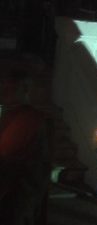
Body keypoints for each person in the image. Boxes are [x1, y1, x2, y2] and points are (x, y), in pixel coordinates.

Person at [0, 71, 52, 225]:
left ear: (25, 89)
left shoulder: (28, 118)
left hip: (17, 192)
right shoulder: (10, 114)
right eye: (2, 86)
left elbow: (5, 151)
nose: (3, 91)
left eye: (10, 88)